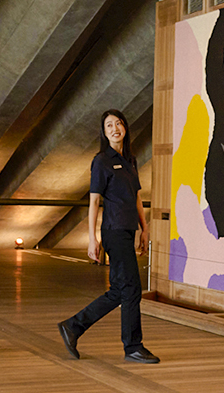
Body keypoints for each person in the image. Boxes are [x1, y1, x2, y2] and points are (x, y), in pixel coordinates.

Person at [58, 109, 159, 363]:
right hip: (113, 231)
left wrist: (144, 228)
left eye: (118, 123)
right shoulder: (102, 161)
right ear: (104, 133)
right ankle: (133, 346)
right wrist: (92, 238)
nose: (115, 128)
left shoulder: (131, 161)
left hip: (128, 230)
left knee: (119, 290)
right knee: (132, 288)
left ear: (125, 127)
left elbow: (136, 198)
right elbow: (93, 202)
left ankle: (73, 326)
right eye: (109, 126)